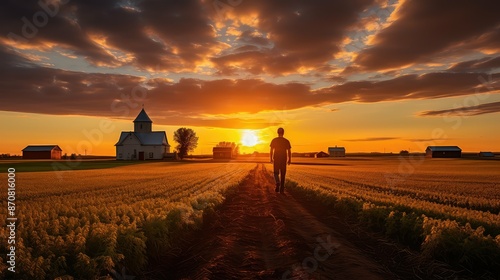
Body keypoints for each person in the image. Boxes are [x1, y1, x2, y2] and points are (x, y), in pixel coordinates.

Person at [270, 127, 291, 194]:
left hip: (276, 159)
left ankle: (277, 182)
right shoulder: (286, 141)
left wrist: (271, 158)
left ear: (277, 132)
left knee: (276, 173)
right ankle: (282, 190)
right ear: (283, 133)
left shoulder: (274, 140)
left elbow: (271, 150)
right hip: (283, 159)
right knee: (283, 174)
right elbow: (289, 151)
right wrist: (289, 159)